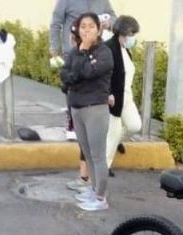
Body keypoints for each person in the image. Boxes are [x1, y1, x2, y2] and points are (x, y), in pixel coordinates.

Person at [60, 12, 113, 212]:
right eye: (83, 26)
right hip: (76, 107)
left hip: (95, 108)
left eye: (91, 26)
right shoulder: (75, 52)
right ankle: (93, 189)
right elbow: (65, 75)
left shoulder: (104, 52)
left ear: (98, 29)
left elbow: (90, 72)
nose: (86, 30)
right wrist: (78, 67)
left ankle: (101, 197)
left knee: (98, 155)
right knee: (88, 154)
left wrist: (82, 57)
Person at [50, 0, 116, 141]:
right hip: (73, 51)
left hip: (96, 51)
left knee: (94, 86)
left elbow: (114, 18)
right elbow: (56, 23)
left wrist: (107, 23)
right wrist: (54, 49)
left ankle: (92, 123)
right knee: (73, 86)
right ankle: (72, 121)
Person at [103, 15, 141, 174]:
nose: (134, 38)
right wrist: (107, 94)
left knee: (134, 126)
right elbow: (103, 74)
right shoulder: (108, 48)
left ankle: (116, 142)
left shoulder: (125, 50)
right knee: (113, 133)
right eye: (132, 34)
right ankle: (103, 168)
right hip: (113, 99)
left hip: (127, 96)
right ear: (123, 32)